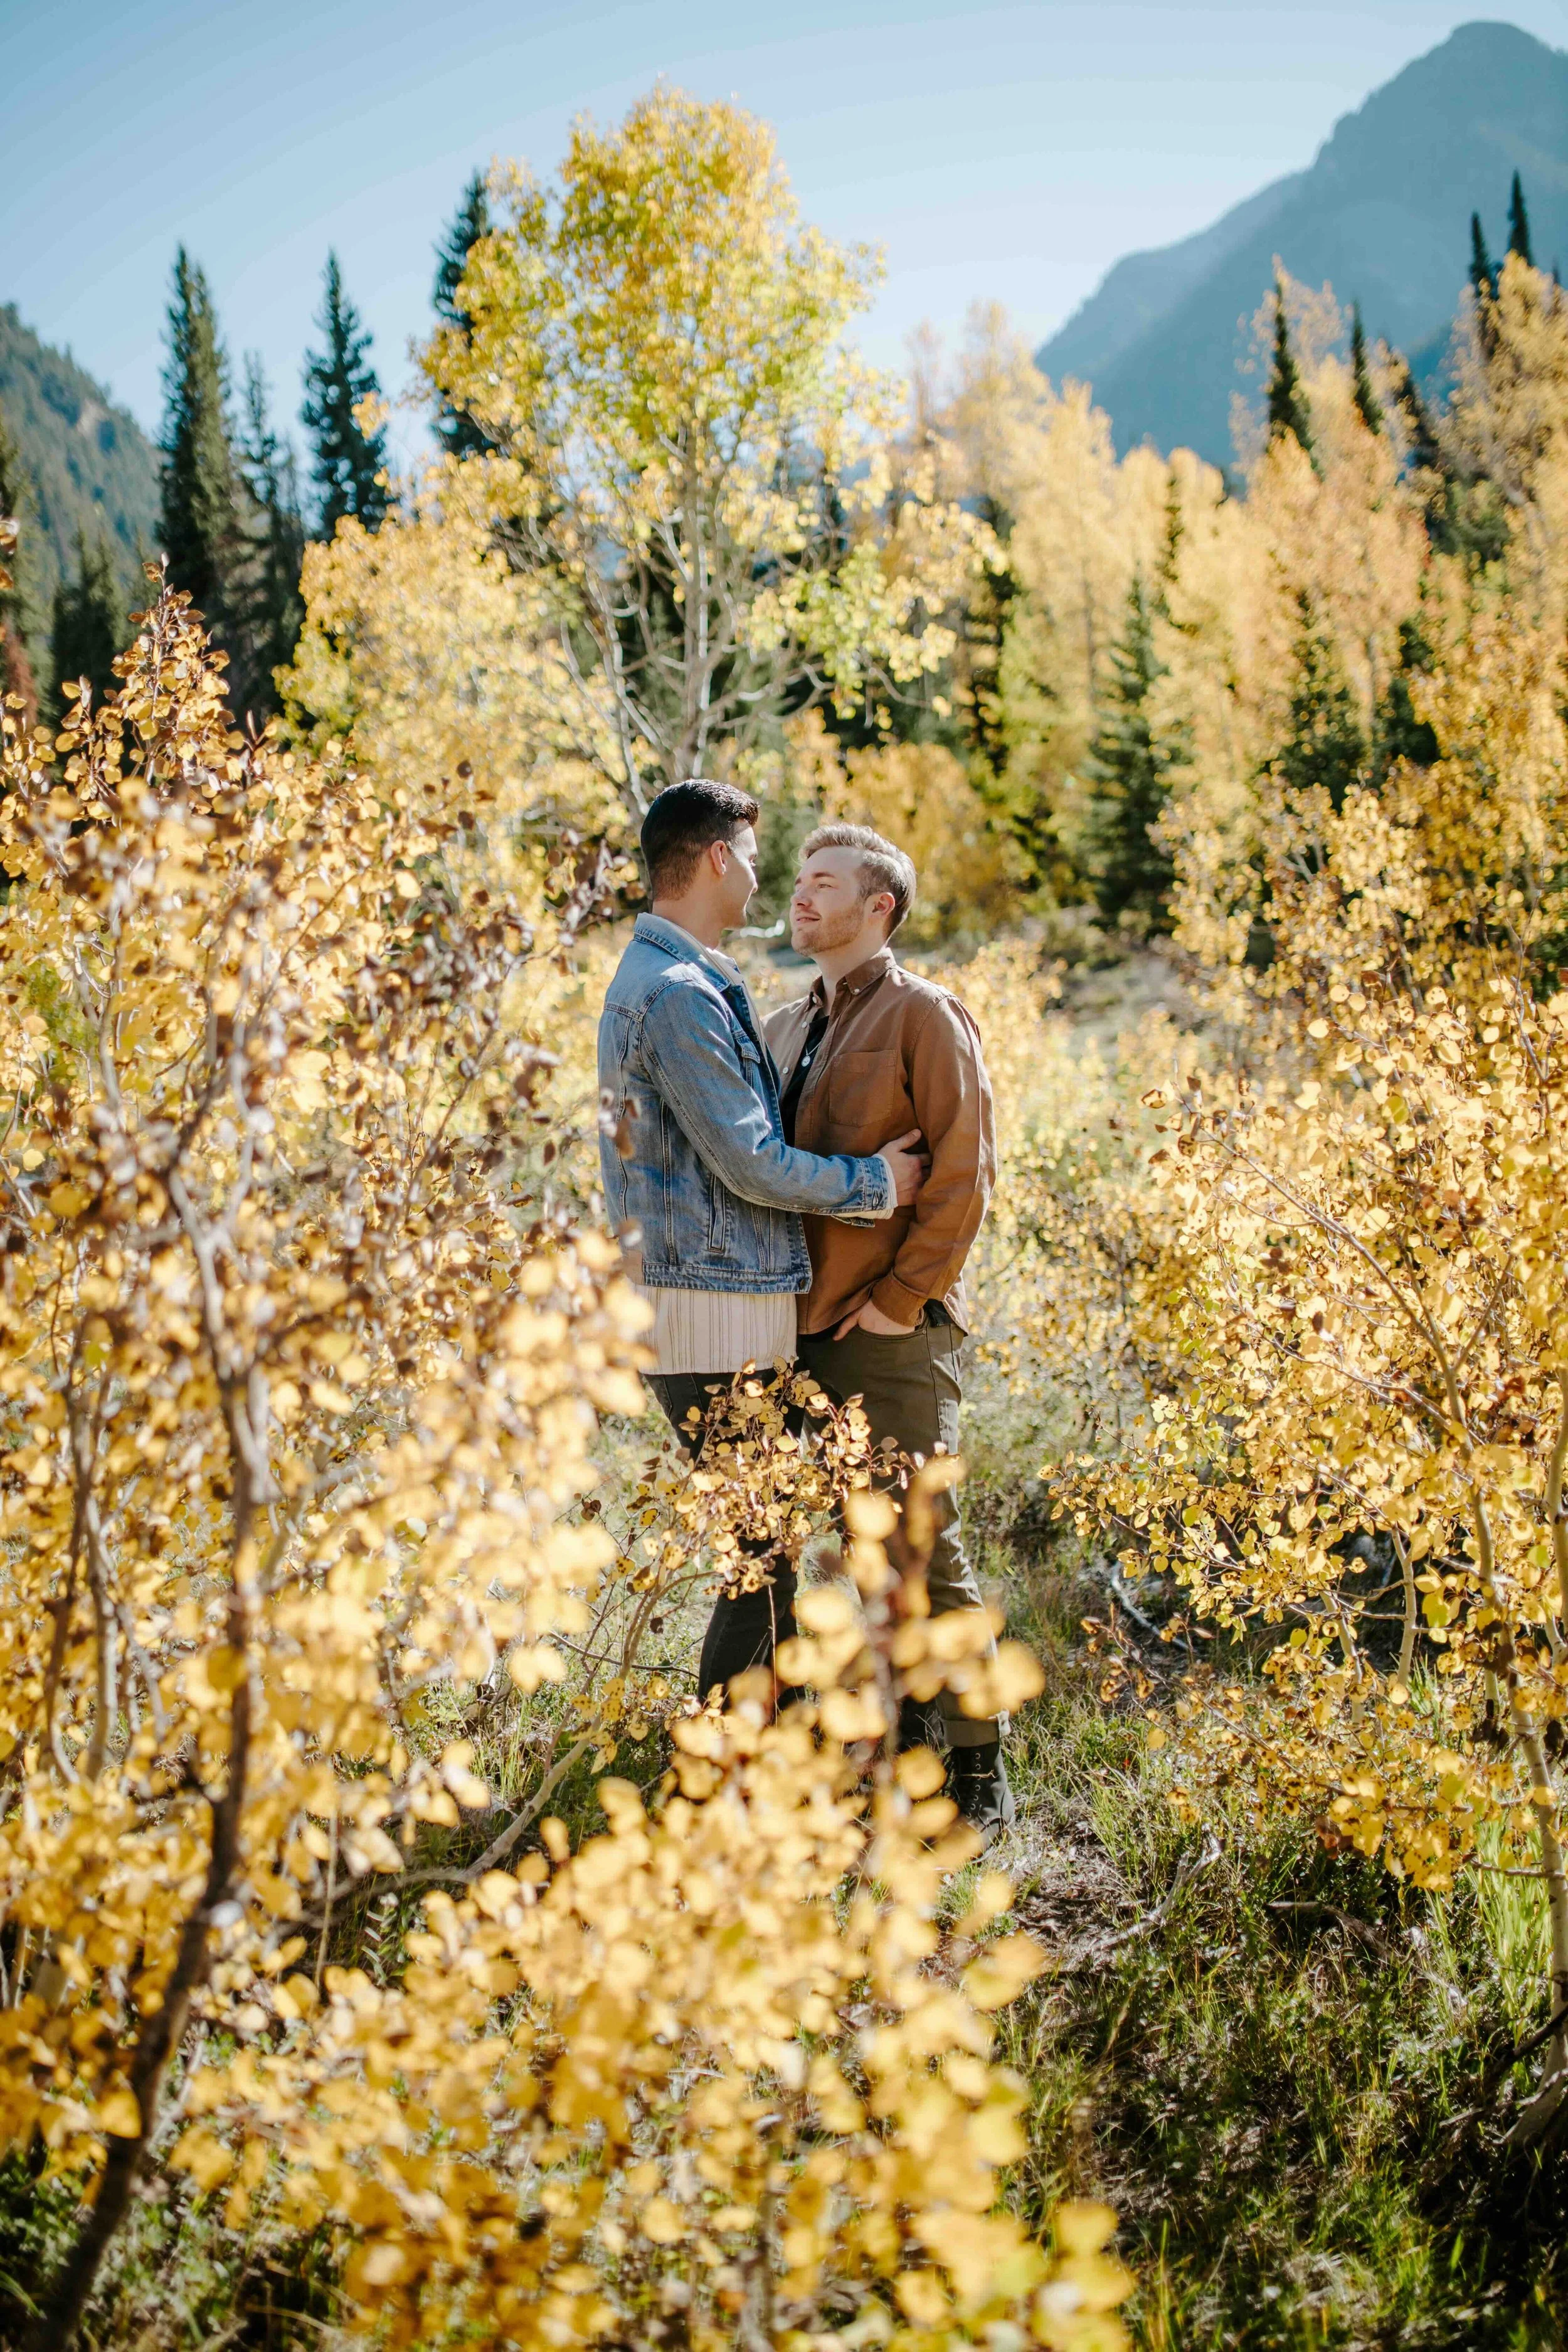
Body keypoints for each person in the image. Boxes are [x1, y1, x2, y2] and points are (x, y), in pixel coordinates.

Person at [598, 779, 928, 1708]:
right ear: (713, 859)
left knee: (764, 1550)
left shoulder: (673, 980)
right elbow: (750, 1161)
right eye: (749, 857)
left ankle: (749, 1770)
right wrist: (876, 1183)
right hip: (713, 1317)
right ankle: (723, 1779)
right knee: (761, 1555)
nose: (759, 877)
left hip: (709, 1306)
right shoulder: (674, 994)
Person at [765, 823, 1011, 1835]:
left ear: (882, 909)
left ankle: (984, 1769)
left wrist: (904, 1298)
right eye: (798, 882)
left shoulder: (925, 1014)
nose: (802, 897)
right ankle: (903, 1747)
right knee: (855, 1549)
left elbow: (964, 1173)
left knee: (921, 1547)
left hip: (893, 1332)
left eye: (825, 884)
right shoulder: (787, 1024)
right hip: (808, 1332)